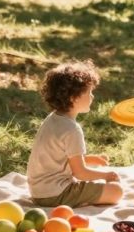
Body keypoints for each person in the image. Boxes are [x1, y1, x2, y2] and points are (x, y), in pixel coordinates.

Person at [27, 59, 123, 208]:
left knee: (107, 186)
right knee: (117, 191)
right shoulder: (72, 129)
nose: (92, 97)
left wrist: (91, 159)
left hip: (38, 192)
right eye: (89, 92)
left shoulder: (53, 119)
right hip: (56, 194)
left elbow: (62, 158)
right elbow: (80, 173)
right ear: (73, 97)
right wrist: (106, 176)